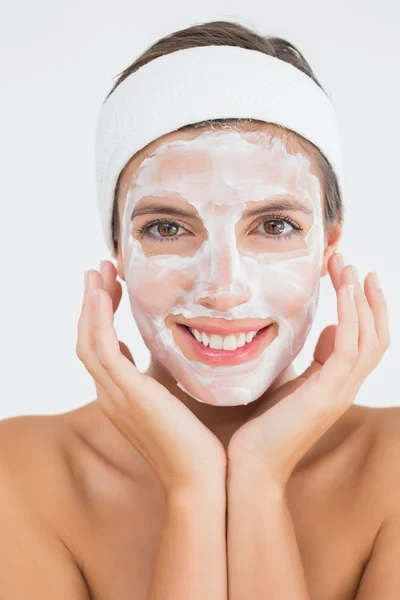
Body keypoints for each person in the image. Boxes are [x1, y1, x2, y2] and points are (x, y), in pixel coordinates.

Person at [0, 19, 396, 600]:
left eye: (275, 225)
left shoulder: (392, 469)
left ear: (328, 248)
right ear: (117, 250)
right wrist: (195, 488)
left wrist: (257, 479)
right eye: (167, 227)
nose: (224, 288)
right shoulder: (18, 475)